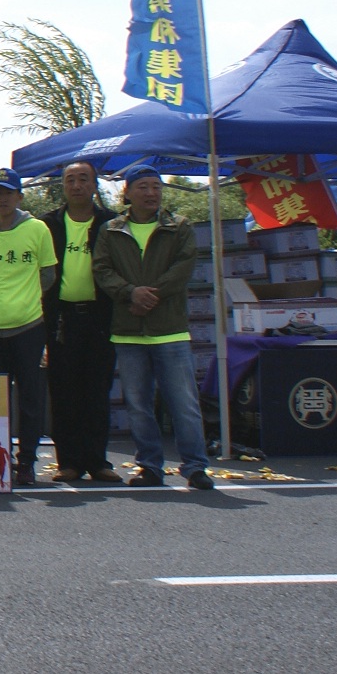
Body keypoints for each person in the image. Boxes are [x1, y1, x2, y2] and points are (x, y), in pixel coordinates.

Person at [92, 163, 211, 490]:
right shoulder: (111, 230)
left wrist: (149, 295)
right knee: (138, 406)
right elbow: (102, 270)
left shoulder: (179, 226)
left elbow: (183, 268)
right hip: (129, 332)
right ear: (127, 192)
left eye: (156, 187)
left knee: (184, 404)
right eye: (143, 187)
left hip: (170, 330)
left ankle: (195, 467)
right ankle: (149, 466)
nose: (151, 193)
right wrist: (130, 292)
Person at [0, 169, 57, 482]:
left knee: (30, 399)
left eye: (8, 192)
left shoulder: (37, 229)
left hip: (28, 326)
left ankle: (26, 463)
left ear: (19, 197)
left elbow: (48, 275)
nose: (3, 198)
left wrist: (24, 300)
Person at [43, 160, 121, 483]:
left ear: (94, 184)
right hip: (61, 318)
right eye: (70, 180)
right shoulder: (48, 224)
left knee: (97, 390)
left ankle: (98, 461)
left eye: (83, 179)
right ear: (63, 186)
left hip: (100, 317)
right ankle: (69, 462)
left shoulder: (111, 223)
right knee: (64, 390)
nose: (76, 186)